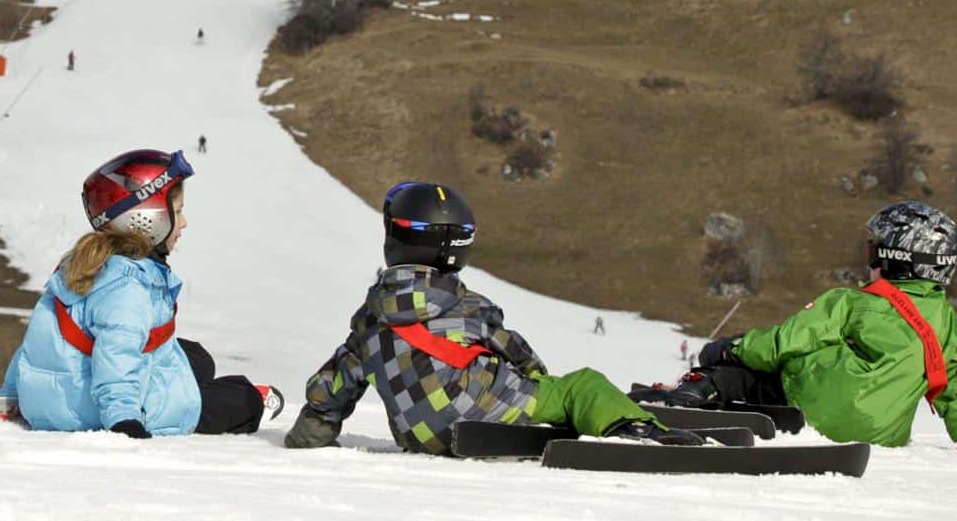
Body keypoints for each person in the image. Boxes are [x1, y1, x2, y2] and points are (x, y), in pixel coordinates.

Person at [285, 182, 696, 455]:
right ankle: (635, 431)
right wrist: (542, 391)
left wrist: (311, 435)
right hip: (491, 407)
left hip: (422, 436)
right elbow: (520, 356)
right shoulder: (467, 305)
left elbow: (330, 387)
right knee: (581, 386)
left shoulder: (368, 323)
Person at [643, 201, 957, 452]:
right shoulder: (951, 328)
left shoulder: (850, 302)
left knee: (745, 365)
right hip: (881, 436)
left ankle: (695, 392)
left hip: (811, 409)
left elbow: (782, 343)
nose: (868, 257)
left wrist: (731, 347)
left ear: (895, 258)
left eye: (873, 249)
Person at [0, 148, 269, 437]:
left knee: (197, 357)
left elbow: (44, 337)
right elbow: (117, 353)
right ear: (147, 219)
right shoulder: (127, 286)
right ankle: (239, 397)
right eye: (177, 212)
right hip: (90, 410)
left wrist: (11, 392)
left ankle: (184, 382)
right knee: (245, 399)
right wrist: (124, 420)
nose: (184, 222)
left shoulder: (82, 262)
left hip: (53, 395)